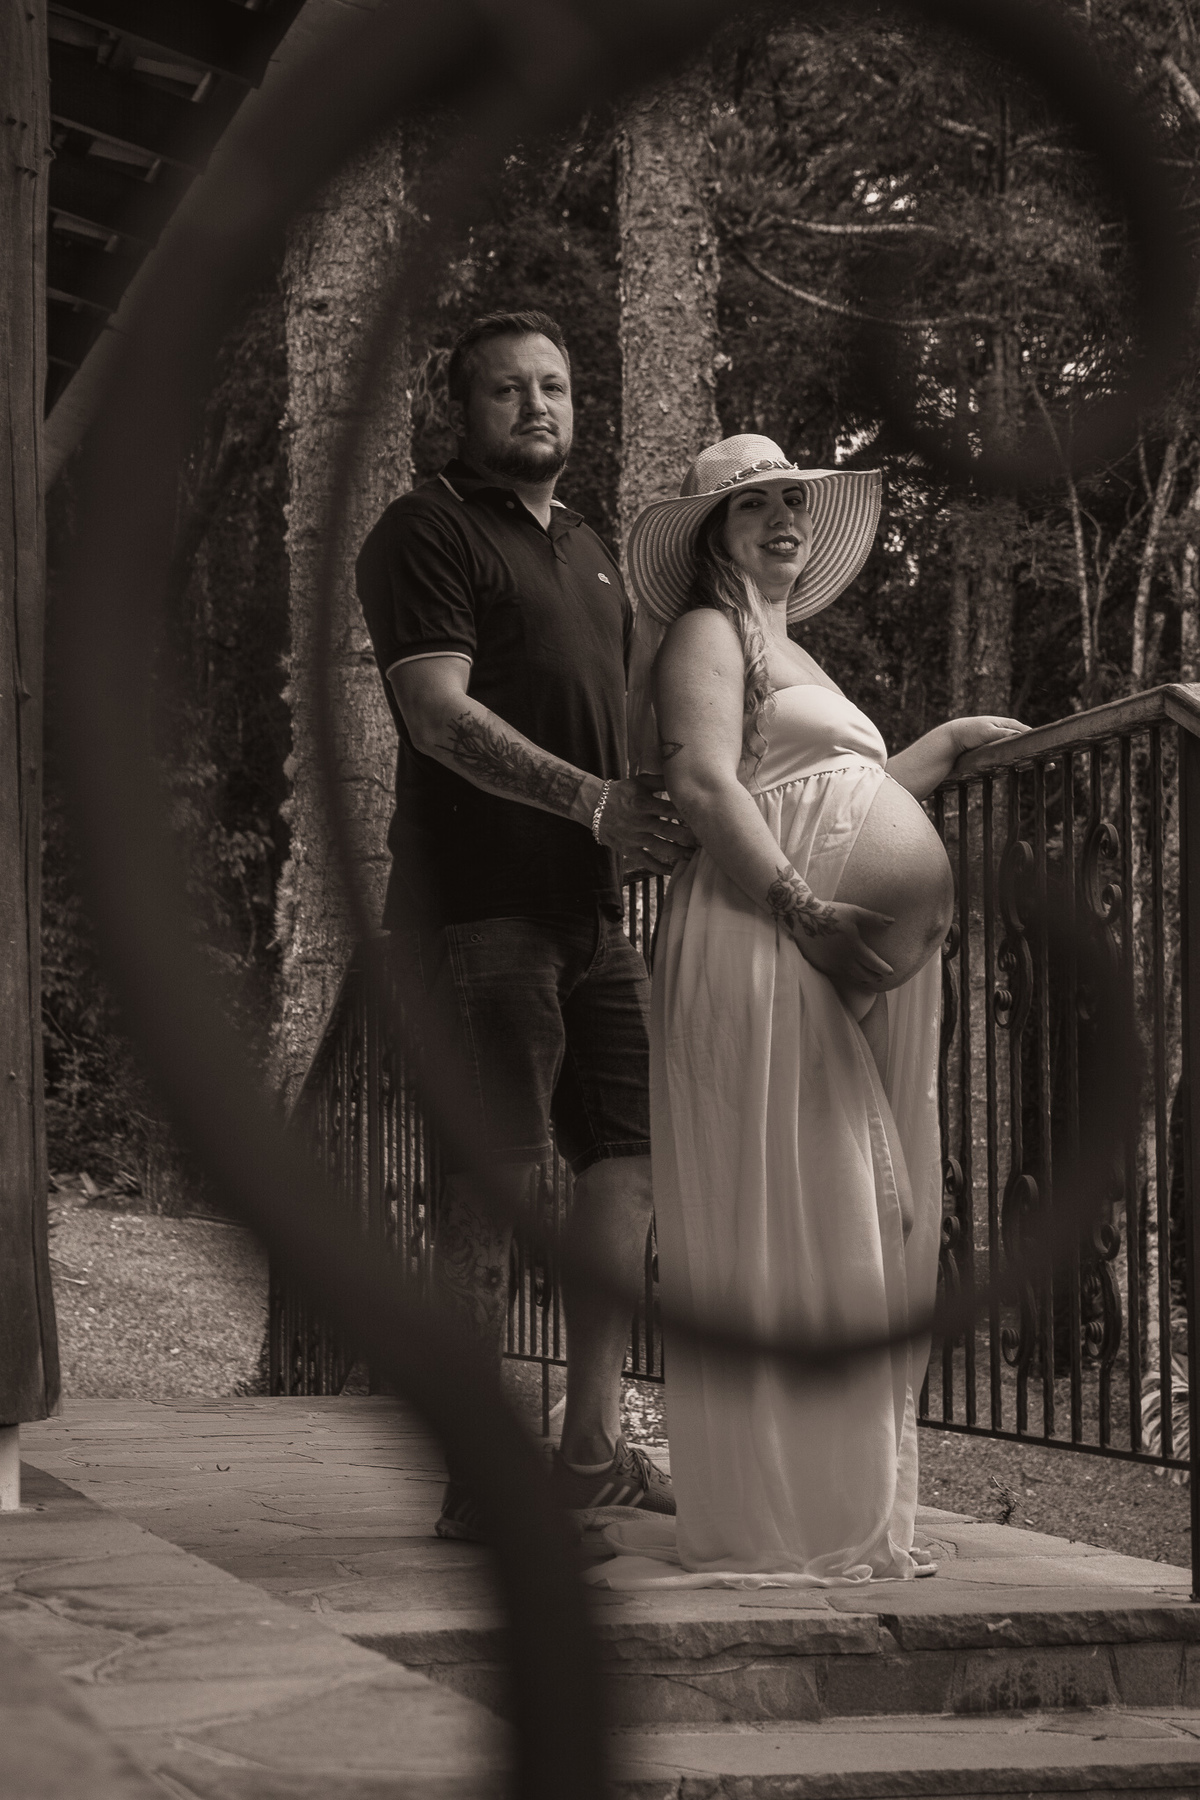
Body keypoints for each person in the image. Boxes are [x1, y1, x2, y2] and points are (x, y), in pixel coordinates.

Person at [588, 434, 1027, 1588]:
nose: (783, 518)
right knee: (796, 1208)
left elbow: (836, 789)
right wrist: (798, 904)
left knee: (857, 1218)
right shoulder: (707, 631)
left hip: (817, 949)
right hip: (759, 931)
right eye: (755, 507)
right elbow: (704, 783)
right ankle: (783, 1522)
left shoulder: (794, 652)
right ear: (712, 536)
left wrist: (946, 744)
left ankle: (845, 1510)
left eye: (794, 500)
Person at [355, 310, 693, 1541]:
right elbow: (436, 715)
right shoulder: (426, 529)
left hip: (592, 915)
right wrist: (593, 801)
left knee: (632, 1168)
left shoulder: (592, 549)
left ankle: (589, 1454)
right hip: (474, 911)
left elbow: (627, 720)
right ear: (461, 411)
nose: (536, 406)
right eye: (507, 390)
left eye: (553, 386)